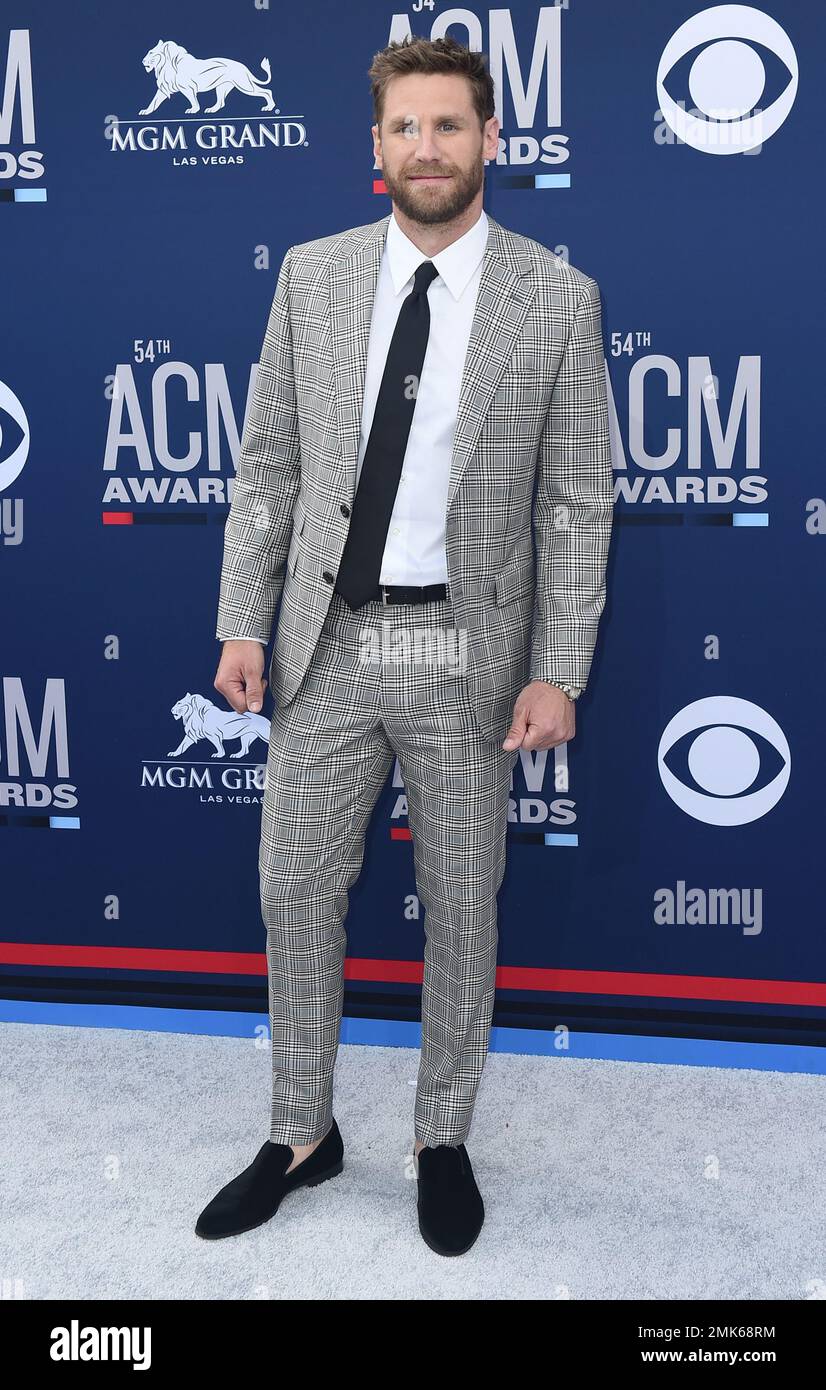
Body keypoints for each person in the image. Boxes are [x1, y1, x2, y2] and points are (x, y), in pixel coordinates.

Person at [196, 33, 613, 1257]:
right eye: (402, 129)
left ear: (492, 140)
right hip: (326, 642)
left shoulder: (555, 294)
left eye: (447, 126)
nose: (424, 149)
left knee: (461, 908)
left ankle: (440, 1135)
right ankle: (301, 1133)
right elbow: (266, 462)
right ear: (372, 149)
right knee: (292, 889)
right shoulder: (313, 278)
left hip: (465, 655)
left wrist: (559, 664)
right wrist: (240, 615)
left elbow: (577, 501)